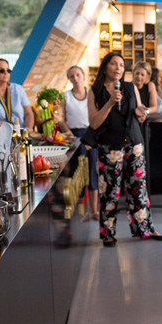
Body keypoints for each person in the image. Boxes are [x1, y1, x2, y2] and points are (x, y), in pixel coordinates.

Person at [87, 51, 162, 245]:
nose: (118, 68)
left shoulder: (130, 87)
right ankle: (108, 233)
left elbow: (139, 115)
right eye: (114, 64)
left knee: (139, 190)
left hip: (134, 144)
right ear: (105, 67)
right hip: (109, 147)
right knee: (109, 192)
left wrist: (140, 113)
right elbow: (94, 123)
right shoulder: (95, 91)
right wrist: (110, 102)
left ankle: (145, 229)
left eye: (121, 65)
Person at [61, 65, 99, 221]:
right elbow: (61, 119)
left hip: (90, 135)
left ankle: (94, 210)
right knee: (77, 172)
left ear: (83, 76)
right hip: (74, 136)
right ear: (69, 79)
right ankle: (78, 211)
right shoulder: (65, 96)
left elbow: (97, 116)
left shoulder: (92, 94)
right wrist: (70, 136)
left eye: (77, 75)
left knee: (92, 171)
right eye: (72, 76)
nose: (75, 78)